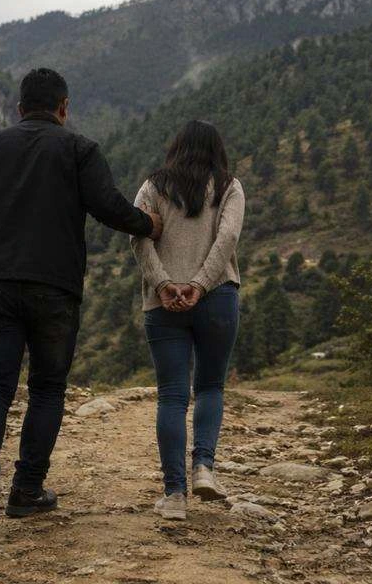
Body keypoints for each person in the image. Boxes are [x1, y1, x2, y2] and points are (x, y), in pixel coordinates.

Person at [0, 67, 162, 535]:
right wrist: (149, 225)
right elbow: (108, 206)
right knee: (46, 389)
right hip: (54, 290)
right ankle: (26, 490)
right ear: (64, 108)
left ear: (19, 109)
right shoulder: (80, 149)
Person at [131, 120, 244, 521]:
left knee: (172, 396)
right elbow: (227, 238)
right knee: (211, 385)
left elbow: (138, 237)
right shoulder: (230, 186)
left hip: (162, 305)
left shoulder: (153, 186)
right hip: (217, 297)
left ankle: (175, 495)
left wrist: (164, 284)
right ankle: (204, 468)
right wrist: (200, 283)